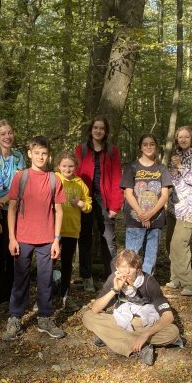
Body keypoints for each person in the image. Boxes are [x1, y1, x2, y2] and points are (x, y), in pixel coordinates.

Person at [2, 136, 67, 340]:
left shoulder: (54, 179)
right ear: (29, 154)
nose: (40, 156)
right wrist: (12, 238)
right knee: (20, 279)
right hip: (23, 237)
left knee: (45, 279)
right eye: (36, 152)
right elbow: (11, 208)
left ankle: (45, 317)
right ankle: (15, 318)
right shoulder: (20, 177)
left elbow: (59, 210)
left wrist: (57, 239)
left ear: (49, 156)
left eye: (44, 153)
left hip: (47, 239)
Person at [82, 249, 182, 366]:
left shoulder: (148, 281)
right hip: (121, 320)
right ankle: (141, 348)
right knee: (88, 316)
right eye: (122, 267)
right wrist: (115, 290)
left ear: (138, 269)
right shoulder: (113, 279)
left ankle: (107, 336)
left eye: (130, 267)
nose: (126, 271)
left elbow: (168, 316)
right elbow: (95, 309)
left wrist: (146, 335)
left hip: (145, 323)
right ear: (117, 268)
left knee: (172, 332)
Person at [74, 116, 123, 291]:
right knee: (85, 237)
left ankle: (112, 276)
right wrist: (77, 200)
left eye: (102, 128)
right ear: (91, 130)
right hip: (85, 197)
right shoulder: (81, 150)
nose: (98, 131)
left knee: (108, 238)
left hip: (105, 198)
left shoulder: (112, 151)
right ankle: (86, 276)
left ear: (106, 131)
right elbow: (75, 174)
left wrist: (115, 206)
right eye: (95, 127)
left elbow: (118, 178)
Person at [120, 134, 173, 275]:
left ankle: (146, 285)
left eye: (152, 144)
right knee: (131, 256)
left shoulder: (161, 169)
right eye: (145, 144)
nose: (148, 147)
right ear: (140, 148)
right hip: (134, 219)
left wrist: (150, 214)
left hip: (156, 219)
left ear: (156, 147)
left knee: (150, 257)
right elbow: (128, 194)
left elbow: (164, 195)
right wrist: (141, 214)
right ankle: (128, 287)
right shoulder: (132, 167)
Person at [0, 120, 26, 309]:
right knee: (0, 253)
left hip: (18, 210)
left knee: (15, 252)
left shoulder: (19, 157)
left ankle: (13, 292)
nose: (7, 137)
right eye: (3, 134)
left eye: (10, 133)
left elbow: (23, 183)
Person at [165, 126, 192, 297]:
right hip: (174, 205)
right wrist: (174, 169)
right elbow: (173, 180)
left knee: (179, 243)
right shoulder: (177, 155)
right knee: (169, 242)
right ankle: (176, 278)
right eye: (179, 137)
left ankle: (190, 284)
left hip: (189, 207)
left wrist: (181, 166)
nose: (182, 140)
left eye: (186, 137)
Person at [54, 151, 92, 313]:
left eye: (71, 166)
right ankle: (47, 295)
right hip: (53, 230)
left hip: (71, 229)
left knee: (67, 264)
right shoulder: (54, 179)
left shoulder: (80, 183)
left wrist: (81, 204)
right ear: (58, 166)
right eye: (64, 166)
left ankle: (64, 296)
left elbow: (89, 206)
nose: (67, 169)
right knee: (49, 263)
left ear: (75, 167)